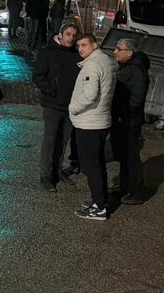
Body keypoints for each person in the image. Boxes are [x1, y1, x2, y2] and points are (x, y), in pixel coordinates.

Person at [69, 34, 116, 220]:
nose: (80, 48)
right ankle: (100, 199)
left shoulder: (93, 64)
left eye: (84, 45)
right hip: (99, 121)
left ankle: (99, 207)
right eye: (78, 45)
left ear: (94, 45)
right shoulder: (105, 61)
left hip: (90, 122)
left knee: (91, 166)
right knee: (97, 164)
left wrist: (73, 108)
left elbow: (89, 95)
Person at [32, 23, 82, 192]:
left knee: (64, 140)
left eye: (74, 35)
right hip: (52, 104)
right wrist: (53, 89)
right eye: (68, 34)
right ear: (60, 35)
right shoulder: (47, 52)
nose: (71, 38)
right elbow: (38, 77)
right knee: (50, 140)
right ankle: (45, 175)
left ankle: (57, 170)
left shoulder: (77, 55)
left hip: (71, 105)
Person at [111, 38, 150, 205]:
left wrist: (124, 113)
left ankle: (136, 190)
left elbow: (136, 98)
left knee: (131, 155)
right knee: (125, 154)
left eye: (119, 49)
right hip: (124, 118)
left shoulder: (135, 70)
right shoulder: (127, 67)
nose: (115, 52)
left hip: (129, 120)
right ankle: (125, 184)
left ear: (129, 52)